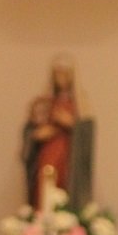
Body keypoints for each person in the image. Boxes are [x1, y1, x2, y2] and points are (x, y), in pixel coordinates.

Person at [22, 54, 95, 209]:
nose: (61, 78)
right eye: (57, 73)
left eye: (65, 73)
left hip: (69, 157)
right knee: (45, 185)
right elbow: (31, 129)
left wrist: (73, 125)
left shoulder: (81, 104)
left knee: (65, 188)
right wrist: (37, 135)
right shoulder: (44, 102)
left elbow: (88, 132)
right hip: (48, 153)